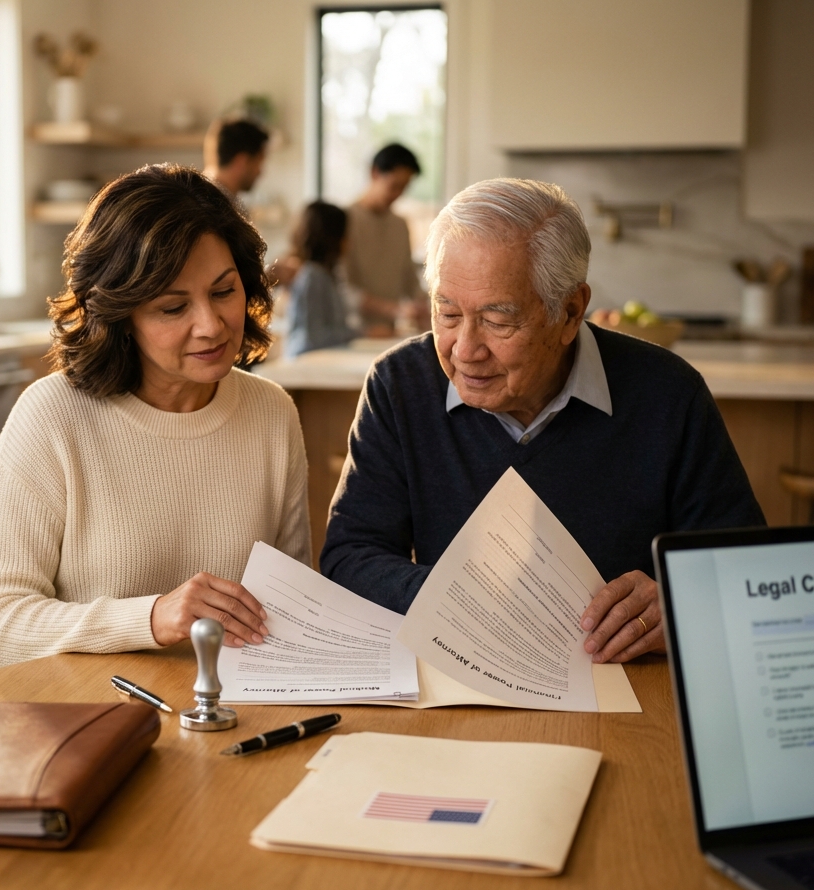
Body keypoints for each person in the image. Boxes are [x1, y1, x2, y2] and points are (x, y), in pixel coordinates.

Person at [320, 177, 765, 665]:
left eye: (497, 320)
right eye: (446, 313)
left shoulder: (669, 393)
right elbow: (349, 559)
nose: (465, 350)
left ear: (570, 312)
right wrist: (464, 600)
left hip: (627, 684)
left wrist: (680, 603)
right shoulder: (400, 384)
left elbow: (746, 569)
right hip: (461, 679)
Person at [0, 164, 310, 683]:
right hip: (30, 709)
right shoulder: (52, 416)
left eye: (224, 292)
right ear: (118, 316)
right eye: (173, 307)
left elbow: (290, 608)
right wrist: (152, 617)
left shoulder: (272, 413)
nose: (211, 325)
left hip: (185, 703)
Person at [344, 143, 430, 335]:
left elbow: (409, 277)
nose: (398, 194)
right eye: (394, 186)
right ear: (375, 173)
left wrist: (425, 306)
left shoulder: (400, 225)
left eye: (404, 187)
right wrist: (393, 309)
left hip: (389, 333)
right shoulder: (345, 220)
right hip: (355, 331)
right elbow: (341, 287)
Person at [284, 201, 357, 356]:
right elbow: (313, 338)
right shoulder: (313, 277)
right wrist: (362, 333)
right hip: (305, 366)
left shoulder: (325, 275)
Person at [202, 118, 269, 198]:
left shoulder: (201, 195)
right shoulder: (210, 204)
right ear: (242, 161)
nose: (260, 173)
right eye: (258, 163)